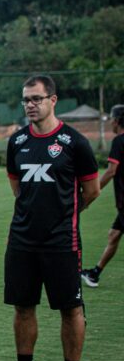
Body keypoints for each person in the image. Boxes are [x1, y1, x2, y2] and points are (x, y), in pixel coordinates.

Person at [0, 74, 99, 361]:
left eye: (36, 99)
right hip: (22, 240)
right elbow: (18, 187)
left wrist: (62, 214)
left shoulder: (74, 142)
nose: (30, 105)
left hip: (62, 242)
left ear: (53, 100)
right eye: (26, 99)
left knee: (70, 309)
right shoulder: (17, 141)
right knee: (23, 307)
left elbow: (92, 190)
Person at [81, 104, 124, 287]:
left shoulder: (119, 141)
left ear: (117, 121)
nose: (110, 123)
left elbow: (111, 171)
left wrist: (92, 190)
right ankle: (95, 274)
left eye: (111, 120)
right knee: (114, 235)